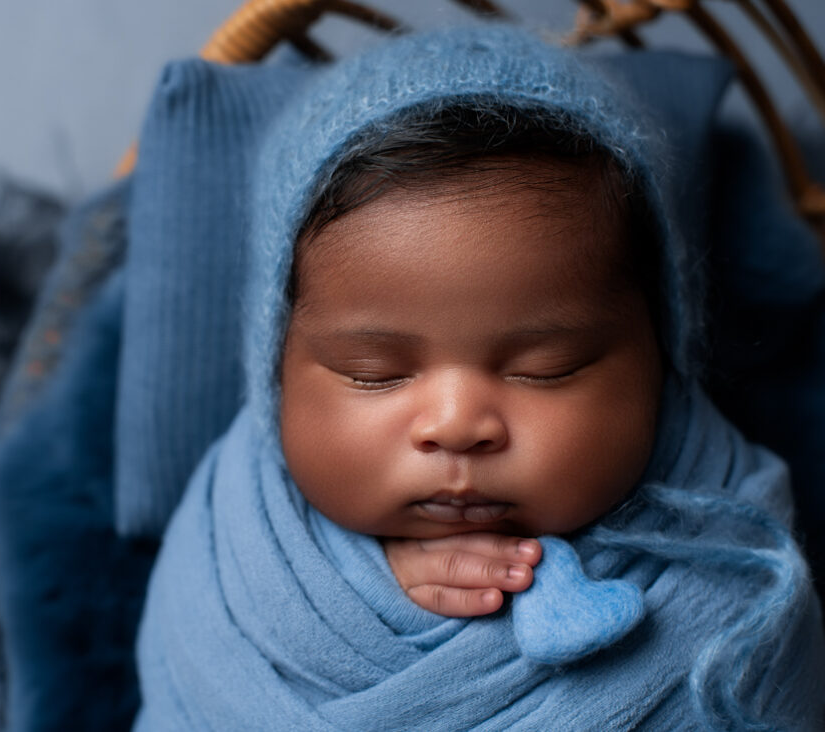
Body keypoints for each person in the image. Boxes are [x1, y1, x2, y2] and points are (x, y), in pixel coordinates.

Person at [135, 25, 825, 730]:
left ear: (661, 359)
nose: (457, 424)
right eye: (373, 374)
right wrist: (378, 584)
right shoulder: (232, 558)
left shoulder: (737, 559)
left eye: (544, 369)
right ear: (276, 373)